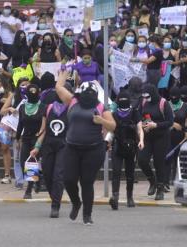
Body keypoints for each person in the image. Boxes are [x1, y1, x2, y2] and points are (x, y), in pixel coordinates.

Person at [56, 71, 116, 225]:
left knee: (87, 182)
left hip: (93, 149)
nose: (88, 96)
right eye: (85, 93)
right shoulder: (73, 101)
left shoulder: (102, 106)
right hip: (72, 148)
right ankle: (76, 202)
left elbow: (113, 126)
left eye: (92, 93)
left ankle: (87, 215)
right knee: (69, 180)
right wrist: (62, 77)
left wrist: (101, 120)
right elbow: (59, 88)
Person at [29, 84, 72, 218]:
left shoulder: (72, 109)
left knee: (58, 175)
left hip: (64, 145)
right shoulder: (48, 108)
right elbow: (43, 130)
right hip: (48, 144)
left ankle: (55, 205)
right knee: (47, 174)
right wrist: (36, 147)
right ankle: (54, 197)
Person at [108, 90, 144, 210]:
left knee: (130, 174)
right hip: (117, 146)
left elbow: (140, 128)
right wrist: (107, 143)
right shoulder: (114, 114)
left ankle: (130, 197)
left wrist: (141, 140)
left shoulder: (135, 113)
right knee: (116, 172)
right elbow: (110, 131)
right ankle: (115, 197)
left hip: (131, 146)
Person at [138, 84, 173, 200]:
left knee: (159, 163)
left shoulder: (163, 103)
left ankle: (160, 188)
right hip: (148, 136)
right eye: (144, 97)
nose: (146, 99)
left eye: (148, 96)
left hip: (161, 137)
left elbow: (170, 122)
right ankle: (152, 181)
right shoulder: (144, 103)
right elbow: (140, 117)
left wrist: (156, 125)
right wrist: (144, 125)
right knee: (142, 159)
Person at [16, 84, 46, 199]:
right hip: (26, 138)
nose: (32, 94)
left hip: (37, 138)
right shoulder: (22, 107)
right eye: (30, 91)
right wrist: (17, 138)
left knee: (32, 163)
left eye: (35, 91)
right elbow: (20, 124)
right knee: (24, 161)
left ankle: (29, 189)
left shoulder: (43, 107)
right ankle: (38, 180)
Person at [0, 77, 31, 188]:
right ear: (18, 86)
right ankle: (19, 180)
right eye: (23, 84)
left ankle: (32, 181)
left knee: (30, 156)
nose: (25, 87)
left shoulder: (34, 96)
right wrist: (10, 109)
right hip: (16, 131)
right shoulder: (13, 96)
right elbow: (2, 110)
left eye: (27, 84)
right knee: (17, 157)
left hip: (29, 130)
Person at [167, 86, 187, 188]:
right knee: (167, 159)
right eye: (172, 96)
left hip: (181, 138)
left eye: (175, 96)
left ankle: (177, 178)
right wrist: (172, 124)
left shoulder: (186, 106)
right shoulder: (165, 105)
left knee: (178, 159)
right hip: (167, 137)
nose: (173, 98)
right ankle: (165, 180)